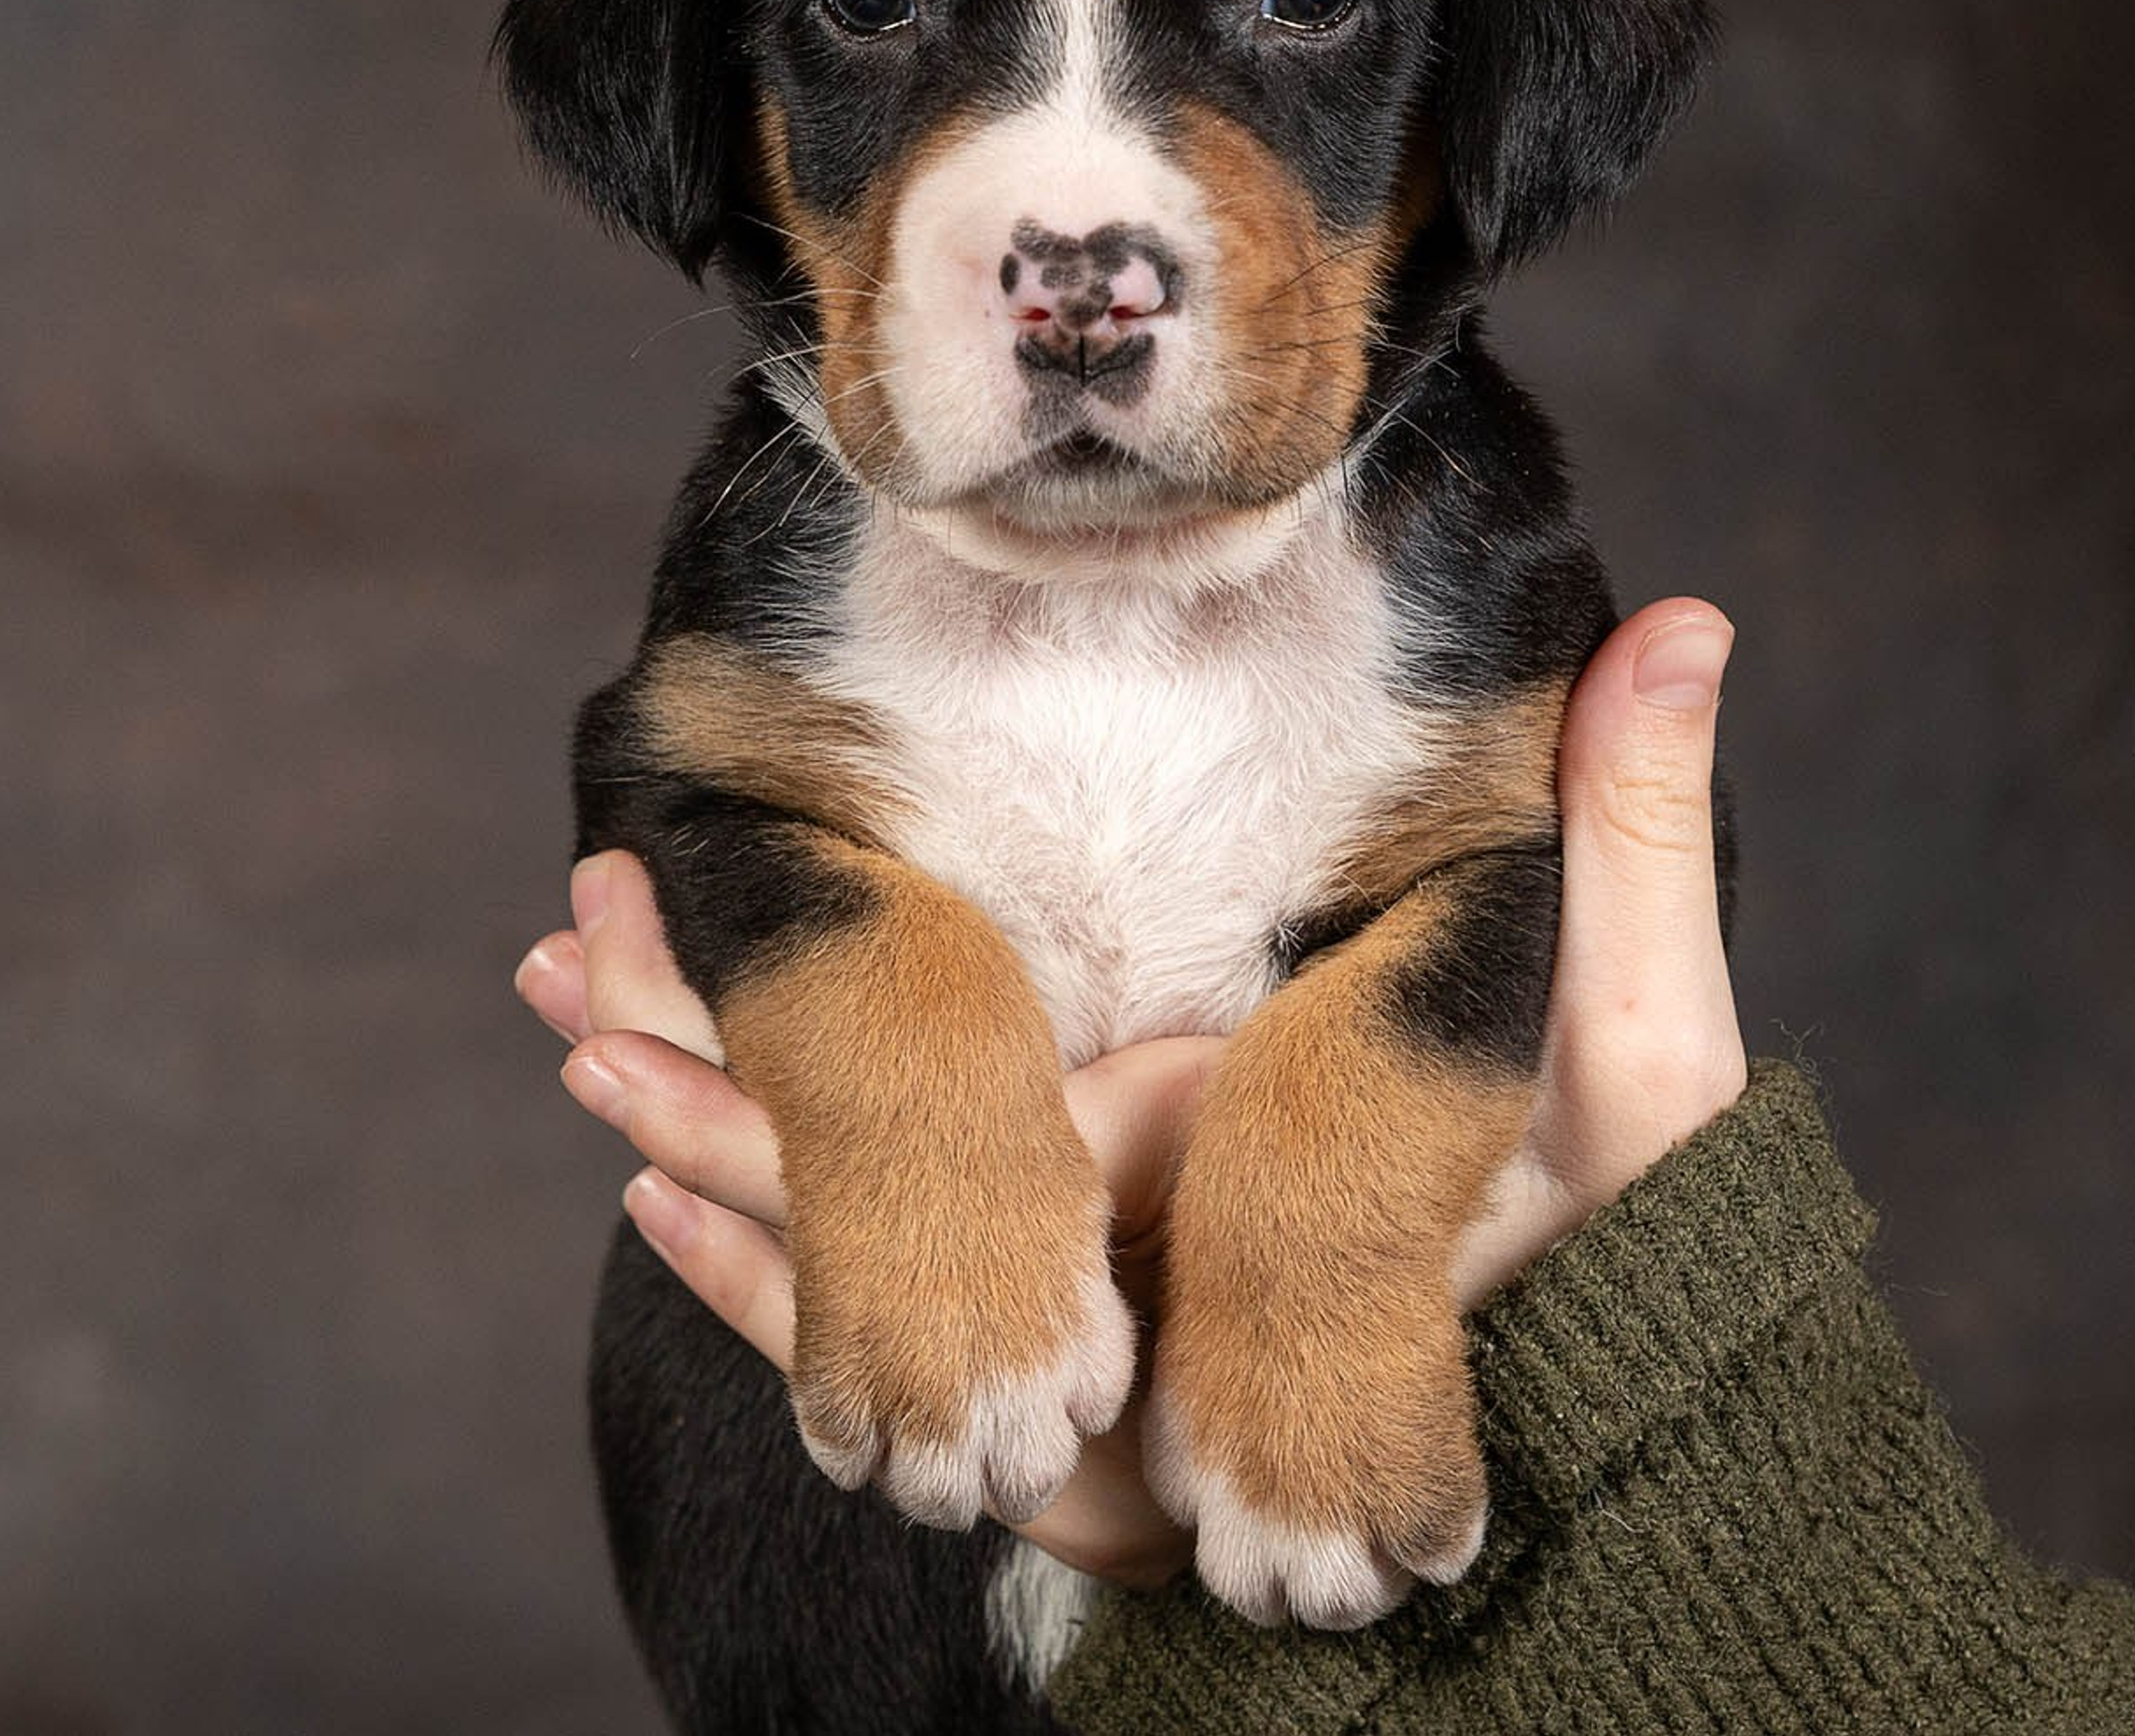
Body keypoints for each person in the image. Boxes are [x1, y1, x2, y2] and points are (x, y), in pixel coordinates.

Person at [517, 601, 2135, 1732]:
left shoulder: (1461, 590)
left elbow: (1546, 900)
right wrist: (902, 1089)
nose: (1089, 269)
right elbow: (681, 791)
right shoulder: (778, 588)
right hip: (810, 1614)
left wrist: (1321, 1241)